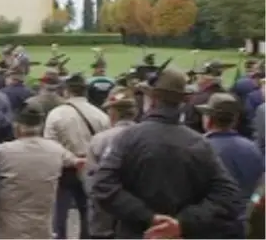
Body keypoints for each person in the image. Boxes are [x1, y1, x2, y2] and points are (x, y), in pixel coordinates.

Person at [92, 68, 244, 238]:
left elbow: (102, 185)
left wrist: (148, 217)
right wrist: (182, 223)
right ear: (184, 101)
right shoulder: (199, 143)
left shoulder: (127, 138)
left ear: (153, 100)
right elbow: (228, 195)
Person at [0, 102, 84, 239]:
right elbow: (75, 161)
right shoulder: (56, 150)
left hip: (9, 220)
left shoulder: (3, 151)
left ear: (18, 127)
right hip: (42, 218)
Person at [44, 73, 109, 240]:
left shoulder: (56, 114)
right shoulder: (101, 115)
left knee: (59, 214)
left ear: (67, 91)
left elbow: (50, 146)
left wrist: (72, 159)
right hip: (91, 168)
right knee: (88, 212)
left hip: (64, 169)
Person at [198, 92, 265, 228]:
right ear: (234, 120)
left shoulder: (199, 148)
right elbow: (259, 188)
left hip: (211, 224)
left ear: (209, 119)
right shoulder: (251, 148)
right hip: (244, 221)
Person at [85, 91, 138, 239]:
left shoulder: (100, 139)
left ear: (113, 114)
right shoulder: (148, 138)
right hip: (137, 213)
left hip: (105, 216)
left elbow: (90, 180)